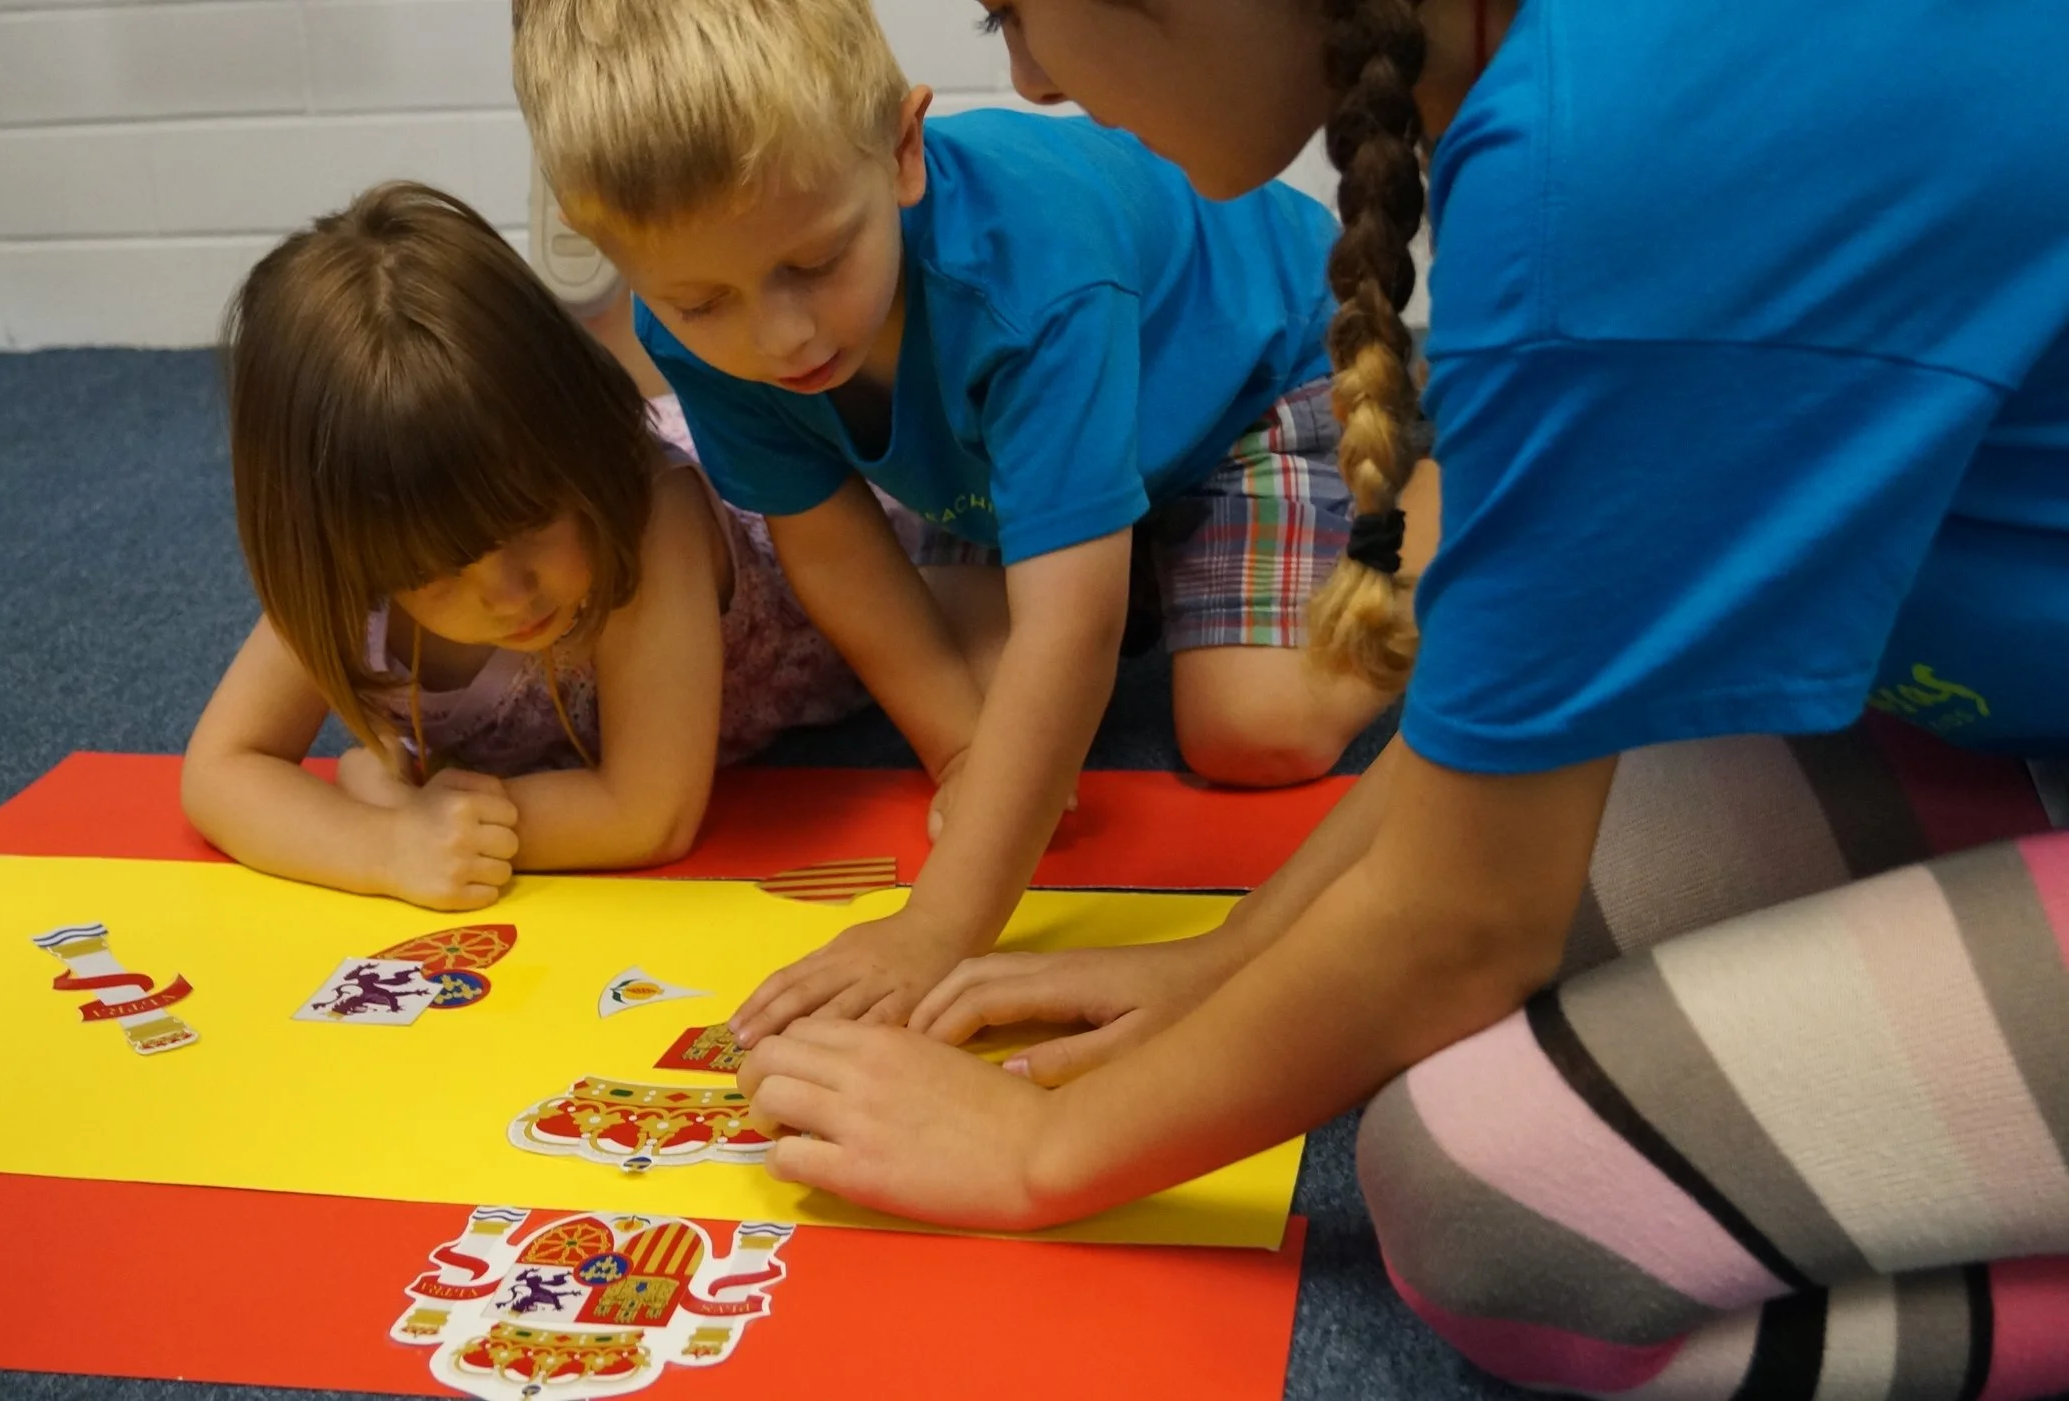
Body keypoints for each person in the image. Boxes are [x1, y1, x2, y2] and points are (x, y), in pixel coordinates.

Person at [728, 0, 2069, 1394]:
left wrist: (1038, 1151)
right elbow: (1495, 750)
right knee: (1522, 892)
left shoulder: (1609, 154)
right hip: (2002, 730)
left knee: (1491, 1204)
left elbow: (1463, 926)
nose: (1030, 81)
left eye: (1017, 12)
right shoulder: (1571, 101)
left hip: (1993, 727)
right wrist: (1227, 960)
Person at [512, 0, 1406, 1045]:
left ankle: (1435, 509)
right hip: (1006, 454)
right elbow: (831, 551)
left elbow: (1070, 631)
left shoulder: (1034, 268)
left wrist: (936, 929)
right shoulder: (683, 331)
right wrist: (961, 754)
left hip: (1259, 375)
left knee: (1251, 731)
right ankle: (1129, 545)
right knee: (992, 716)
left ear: (902, 152)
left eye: (816, 263)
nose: (781, 336)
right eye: (704, 303)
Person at [182, 182, 898, 911]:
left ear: (582, 445)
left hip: (854, 524)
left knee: (951, 617)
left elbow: (647, 814)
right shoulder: (363, 534)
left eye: (530, 523)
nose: (510, 592)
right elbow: (220, 768)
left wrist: (414, 808)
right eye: (434, 573)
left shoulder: (644, 514)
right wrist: (384, 844)